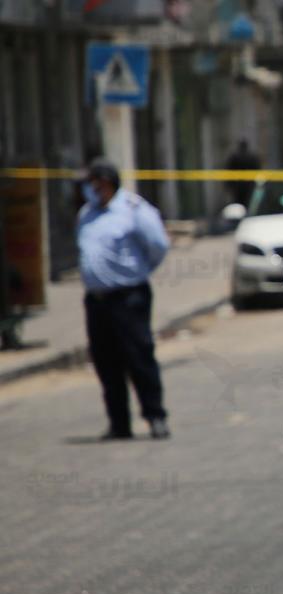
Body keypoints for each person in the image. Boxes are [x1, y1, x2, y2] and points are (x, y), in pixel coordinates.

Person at [77, 158, 171, 441]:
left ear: (107, 183)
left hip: (128, 297)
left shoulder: (133, 209)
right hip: (96, 300)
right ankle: (119, 423)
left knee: (138, 357)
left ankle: (155, 416)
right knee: (105, 362)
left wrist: (137, 273)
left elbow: (158, 246)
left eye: (95, 184)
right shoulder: (87, 214)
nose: (90, 189)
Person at [224, 140, 261, 208]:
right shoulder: (250, 157)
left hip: (240, 185)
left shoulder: (236, 157)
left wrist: (228, 185)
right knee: (244, 202)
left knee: (241, 202)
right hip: (244, 185)